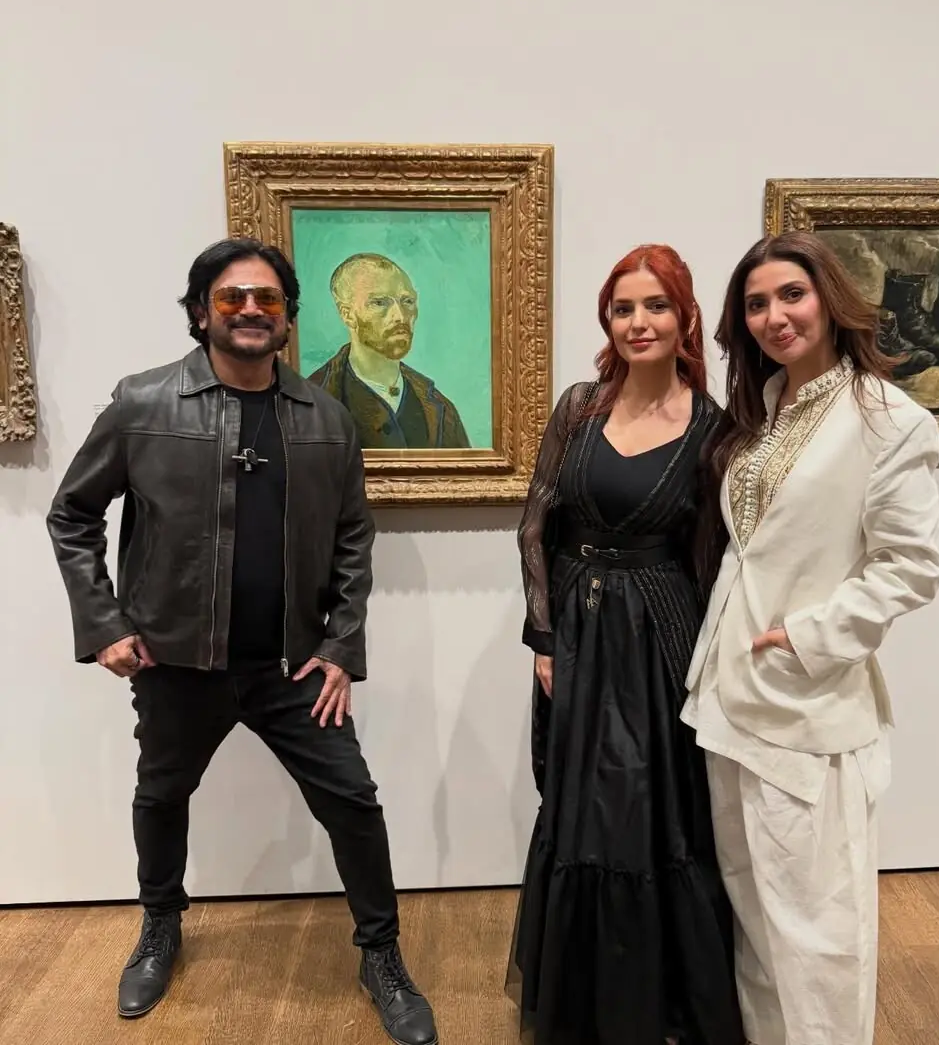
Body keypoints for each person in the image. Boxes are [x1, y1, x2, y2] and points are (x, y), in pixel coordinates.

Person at [45, 238, 437, 1045]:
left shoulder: (327, 419)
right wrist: (105, 623)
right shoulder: (142, 403)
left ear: (289, 317)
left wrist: (341, 645)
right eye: (232, 298)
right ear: (201, 312)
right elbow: (73, 514)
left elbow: (354, 539)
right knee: (162, 795)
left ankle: (382, 955)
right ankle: (160, 924)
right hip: (176, 662)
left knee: (353, 801)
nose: (251, 310)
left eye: (267, 298)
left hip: (294, 666)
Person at [682, 231, 939, 1045]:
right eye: (756, 303)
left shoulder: (890, 419)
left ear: (830, 300)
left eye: (791, 295)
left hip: (809, 710)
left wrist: (806, 637)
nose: (775, 316)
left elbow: (912, 567)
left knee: (818, 937)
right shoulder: (763, 411)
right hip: (728, 703)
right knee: (757, 925)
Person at [507, 244, 744, 1045]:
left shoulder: (714, 428)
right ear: (607, 320)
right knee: (578, 802)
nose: (638, 322)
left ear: (685, 317)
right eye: (623, 308)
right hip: (576, 626)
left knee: (649, 806)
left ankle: (657, 997)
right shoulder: (580, 406)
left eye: (655, 306)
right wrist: (543, 637)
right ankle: (580, 997)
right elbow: (536, 524)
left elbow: (711, 557)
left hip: (660, 635)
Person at [307, 253, 470, 449]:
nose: (400, 316)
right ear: (347, 315)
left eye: (407, 301)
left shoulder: (440, 408)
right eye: (379, 303)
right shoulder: (312, 400)